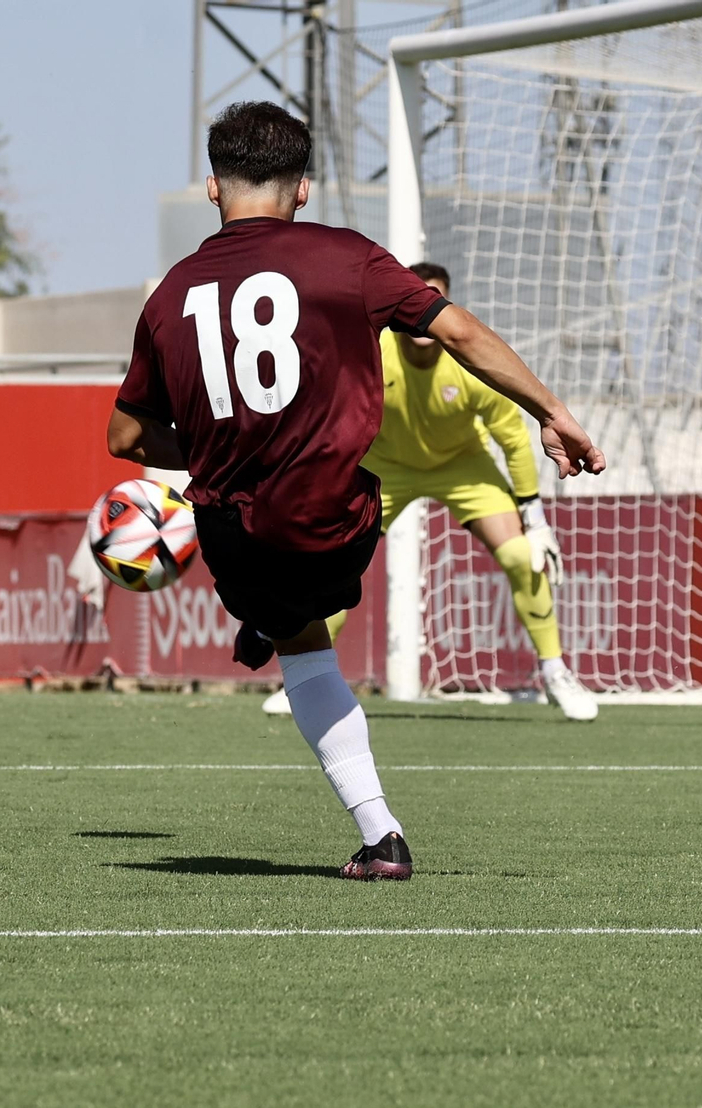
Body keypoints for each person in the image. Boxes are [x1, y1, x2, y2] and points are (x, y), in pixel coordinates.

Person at [106, 101, 605, 881]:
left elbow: (126, 440)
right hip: (336, 523)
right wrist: (555, 413)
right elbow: (460, 333)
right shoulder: (346, 258)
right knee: (312, 599)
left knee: (296, 636)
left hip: (232, 533)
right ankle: (285, 636)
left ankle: (374, 822)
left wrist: (200, 442)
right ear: (304, 190)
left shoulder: (170, 294)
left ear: (212, 188)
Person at [262, 262, 598, 722]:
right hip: (385, 469)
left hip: (464, 468)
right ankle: (304, 679)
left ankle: (555, 672)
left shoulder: (475, 361)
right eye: (414, 300)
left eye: (433, 300)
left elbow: (514, 439)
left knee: (525, 556)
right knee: (330, 573)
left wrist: (534, 519)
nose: (422, 312)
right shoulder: (369, 355)